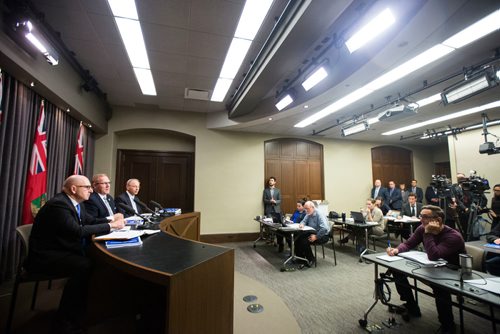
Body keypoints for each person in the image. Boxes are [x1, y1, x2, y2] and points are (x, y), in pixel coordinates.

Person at [26, 175, 125, 333]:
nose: (91, 190)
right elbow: (77, 231)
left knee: (96, 259)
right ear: (73, 189)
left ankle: (87, 309)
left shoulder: (76, 203)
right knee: (84, 265)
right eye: (87, 187)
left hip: (62, 248)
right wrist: (110, 226)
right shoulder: (59, 204)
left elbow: (90, 221)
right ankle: (65, 320)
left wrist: (113, 223)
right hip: (46, 255)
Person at [386, 205, 465, 334]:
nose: (421, 219)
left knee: (439, 287)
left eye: (424, 216)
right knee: (396, 270)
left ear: (438, 220)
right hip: (433, 267)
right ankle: (411, 306)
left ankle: (448, 325)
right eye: (420, 216)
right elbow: (408, 243)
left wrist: (428, 233)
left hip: (453, 272)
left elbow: (433, 256)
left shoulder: (453, 236)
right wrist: (396, 250)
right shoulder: (422, 228)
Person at [295, 201, 330, 269]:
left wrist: (316, 237)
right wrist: (302, 224)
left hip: (323, 235)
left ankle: (311, 259)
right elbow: (304, 221)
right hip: (314, 232)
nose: (306, 210)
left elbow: (324, 228)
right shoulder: (309, 213)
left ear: (313, 207)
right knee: (298, 237)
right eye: (305, 209)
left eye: (307, 208)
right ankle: (300, 258)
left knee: (304, 241)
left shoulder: (319, 214)